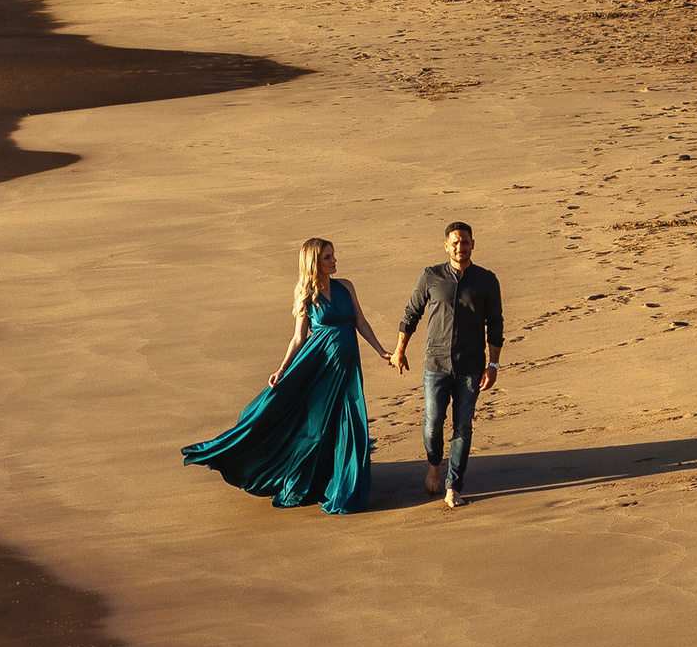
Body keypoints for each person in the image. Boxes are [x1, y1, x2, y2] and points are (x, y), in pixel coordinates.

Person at [182, 235, 390, 516]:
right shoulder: (306, 295)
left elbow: (360, 322)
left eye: (333, 255)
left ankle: (345, 484)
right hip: (320, 370)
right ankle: (309, 481)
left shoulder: (346, 286)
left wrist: (381, 351)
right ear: (314, 262)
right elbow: (298, 339)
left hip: (349, 371)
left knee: (351, 423)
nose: (334, 261)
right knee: (317, 431)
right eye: (327, 257)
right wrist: (281, 369)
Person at [395, 221, 503, 510]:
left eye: (465, 242)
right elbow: (411, 313)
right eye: (455, 242)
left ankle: (453, 485)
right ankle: (434, 465)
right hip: (436, 364)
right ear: (446, 246)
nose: (460, 247)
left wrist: (493, 364)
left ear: (473, 244)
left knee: (463, 426)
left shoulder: (486, 280)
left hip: (471, 367)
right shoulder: (431, 276)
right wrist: (400, 350)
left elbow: (495, 325)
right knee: (432, 424)